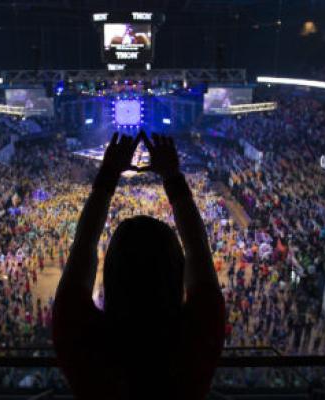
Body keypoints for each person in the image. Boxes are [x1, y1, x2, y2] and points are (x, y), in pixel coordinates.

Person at [53, 132, 225, 400]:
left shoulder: (84, 345)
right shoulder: (195, 343)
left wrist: (109, 173)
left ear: (109, 273)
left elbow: (83, 246)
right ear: (177, 272)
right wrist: (171, 176)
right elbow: (198, 248)